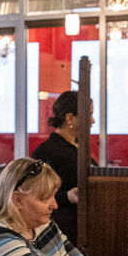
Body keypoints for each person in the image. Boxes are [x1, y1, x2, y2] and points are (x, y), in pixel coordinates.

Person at [31, 90, 96, 243]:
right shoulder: (46, 150)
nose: (92, 121)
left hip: (84, 223)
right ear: (69, 118)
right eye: (89, 114)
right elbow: (34, 193)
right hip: (61, 229)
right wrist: (68, 196)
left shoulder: (80, 146)